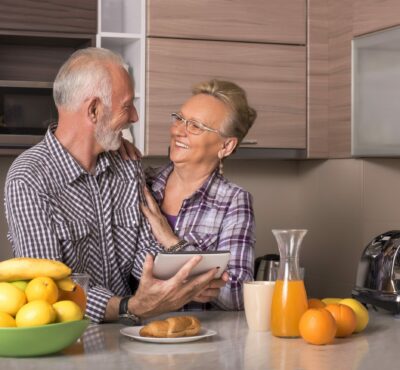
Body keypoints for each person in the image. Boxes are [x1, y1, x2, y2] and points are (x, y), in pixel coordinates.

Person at [4, 48, 227, 323]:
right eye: (126, 106)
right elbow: (46, 288)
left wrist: (187, 278)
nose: (134, 116)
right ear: (94, 110)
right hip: (71, 339)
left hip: (132, 335)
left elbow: (147, 257)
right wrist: (128, 307)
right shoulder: (29, 178)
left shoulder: (126, 166)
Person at [140, 79, 256, 310]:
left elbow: (238, 294)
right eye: (179, 119)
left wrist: (171, 241)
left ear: (226, 146)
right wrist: (202, 276)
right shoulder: (143, 183)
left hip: (197, 338)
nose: (178, 131)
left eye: (195, 126)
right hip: (135, 331)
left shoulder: (233, 201)